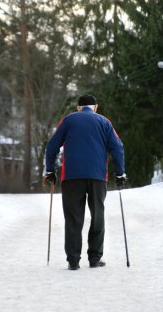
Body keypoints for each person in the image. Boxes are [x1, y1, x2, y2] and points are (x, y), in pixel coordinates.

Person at [45, 94, 126, 270]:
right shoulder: (104, 122)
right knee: (97, 215)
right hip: (97, 176)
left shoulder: (68, 120)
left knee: (73, 218)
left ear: (78, 108)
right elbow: (118, 148)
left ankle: (73, 260)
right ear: (95, 107)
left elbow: (52, 147)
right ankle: (95, 258)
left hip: (72, 176)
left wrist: (50, 170)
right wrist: (120, 174)